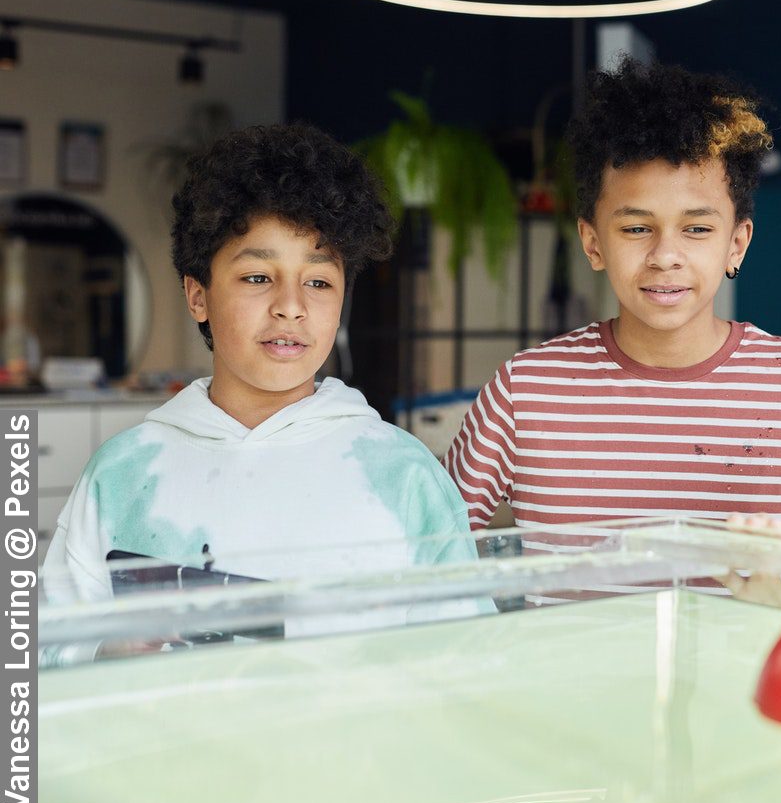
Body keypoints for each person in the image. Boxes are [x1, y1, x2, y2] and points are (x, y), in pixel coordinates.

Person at [445, 59, 781, 566]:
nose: (665, 255)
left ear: (736, 244)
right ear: (592, 243)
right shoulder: (523, 391)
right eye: (636, 229)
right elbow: (428, 552)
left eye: (697, 229)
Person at [41, 123, 482, 631]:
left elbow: (459, 656)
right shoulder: (120, 475)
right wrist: (111, 652)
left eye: (318, 281)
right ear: (197, 295)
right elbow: (47, 652)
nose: (291, 307)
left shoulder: (403, 473)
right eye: (257, 277)